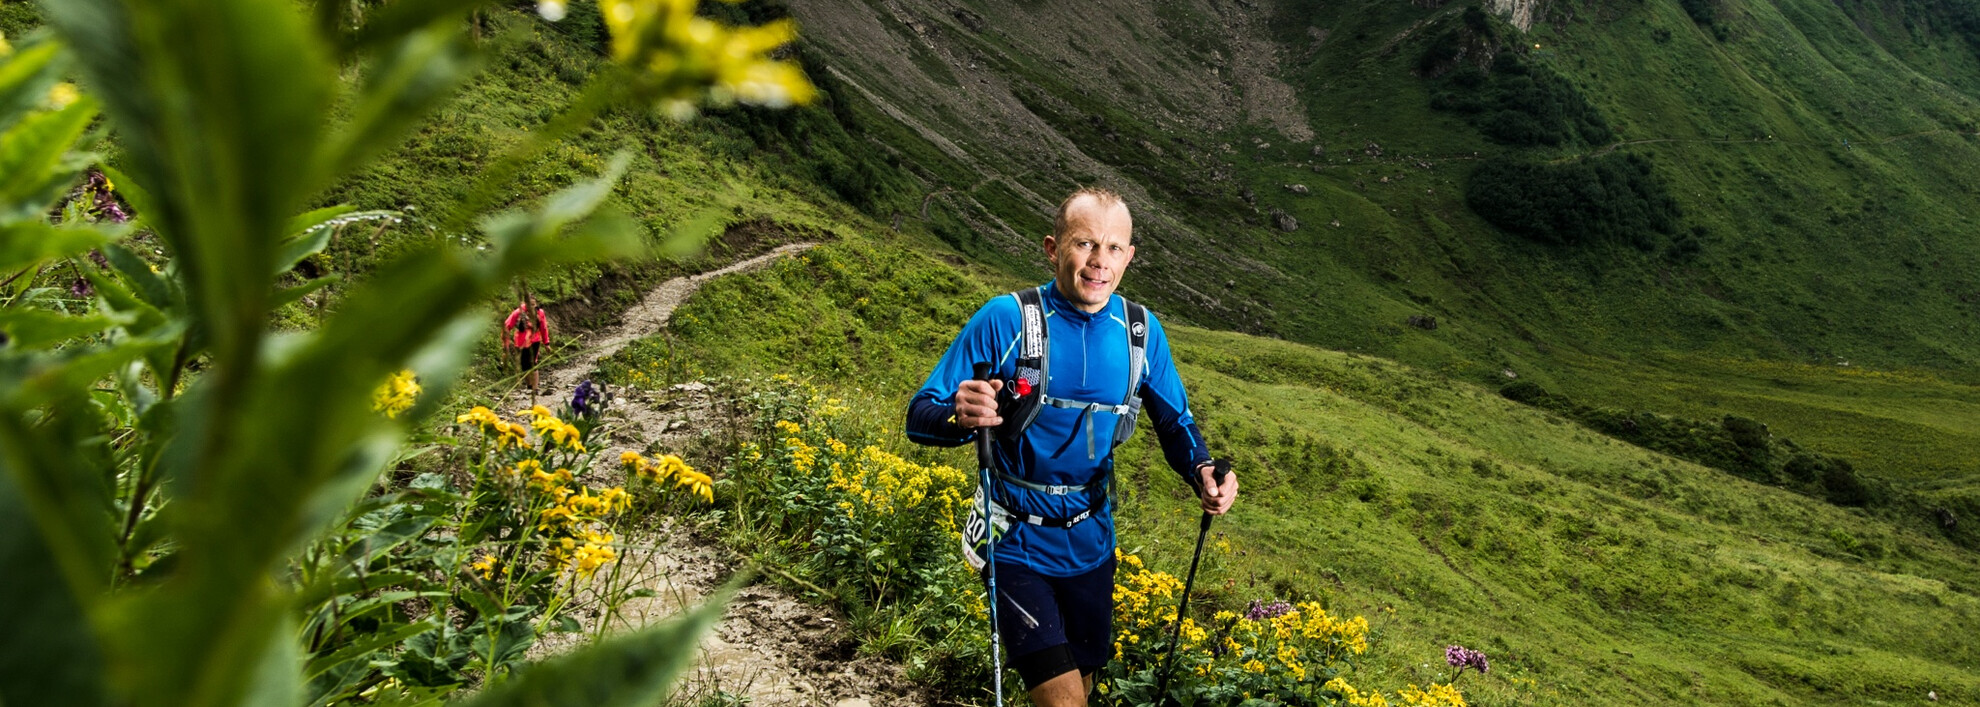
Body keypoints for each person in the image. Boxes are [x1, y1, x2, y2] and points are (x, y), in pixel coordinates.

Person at [905, 187, 1238, 706]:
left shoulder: (1141, 334)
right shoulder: (1006, 319)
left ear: (1129, 256)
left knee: (1081, 687)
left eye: (1112, 248)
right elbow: (919, 415)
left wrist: (1204, 472)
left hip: (1091, 544)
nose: (1098, 262)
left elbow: (1176, 424)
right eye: (1084, 244)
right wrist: (960, 416)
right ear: (1052, 247)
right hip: (1014, 540)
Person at [504, 293, 551, 396]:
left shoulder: (540, 313)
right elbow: (507, 326)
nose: (532, 307)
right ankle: (529, 386)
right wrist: (506, 344)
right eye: (530, 304)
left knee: (533, 362)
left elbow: (543, 328)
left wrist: (546, 343)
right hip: (520, 342)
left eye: (533, 304)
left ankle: (535, 388)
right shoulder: (518, 313)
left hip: (535, 340)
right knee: (524, 364)